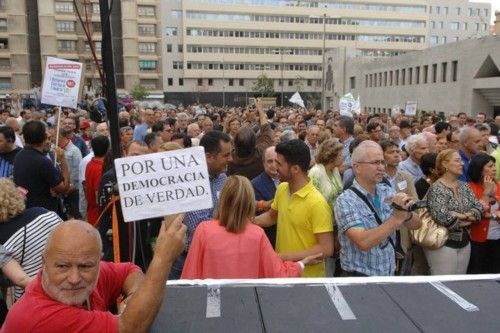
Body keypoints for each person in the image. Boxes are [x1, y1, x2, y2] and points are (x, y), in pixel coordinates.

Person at [1, 218, 186, 332]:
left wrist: (131, 299)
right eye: (62, 266)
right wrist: (163, 258)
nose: (74, 278)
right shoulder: (37, 317)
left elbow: (129, 271)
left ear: (99, 261)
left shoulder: (91, 272)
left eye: (85, 266)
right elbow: (131, 328)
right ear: (44, 262)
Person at [182, 176, 321, 279]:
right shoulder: (257, 234)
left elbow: (190, 275)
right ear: (249, 202)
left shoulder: (204, 230)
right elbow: (277, 273)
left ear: (222, 200)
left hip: (213, 303)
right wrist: (301, 264)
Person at [334, 141, 421, 276]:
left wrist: (406, 213)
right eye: (375, 163)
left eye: (382, 162)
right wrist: (396, 218)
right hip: (360, 279)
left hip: (389, 274)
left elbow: (416, 225)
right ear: (357, 167)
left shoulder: (386, 190)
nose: (381, 167)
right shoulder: (346, 200)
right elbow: (363, 242)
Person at [254, 139, 334, 277]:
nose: (275, 167)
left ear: (295, 169)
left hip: (307, 280)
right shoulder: (282, 188)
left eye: (279, 163)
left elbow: (326, 249)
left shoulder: (317, 203)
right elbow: (272, 216)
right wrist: (247, 222)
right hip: (284, 273)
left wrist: (282, 256)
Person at [169, 131, 232, 279]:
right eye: (226, 155)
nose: (231, 159)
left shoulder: (223, 178)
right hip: (187, 260)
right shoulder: (190, 182)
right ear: (209, 157)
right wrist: (231, 221)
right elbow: (199, 226)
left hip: (217, 256)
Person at [0, 178, 63, 300]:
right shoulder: (44, 213)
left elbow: (19, 279)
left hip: (33, 297)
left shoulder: (2, 240)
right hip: (66, 283)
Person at [425, 149, 483, 275]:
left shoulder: (464, 185)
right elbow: (444, 218)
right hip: (444, 243)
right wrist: (469, 218)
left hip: (465, 242)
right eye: (457, 160)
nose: (461, 163)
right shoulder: (436, 188)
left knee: (459, 283)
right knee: (445, 284)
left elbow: (479, 209)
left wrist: (461, 216)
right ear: (445, 164)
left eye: (461, 160)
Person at [13, 121, 70, 213]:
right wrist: (63, 160)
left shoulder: (19, 155)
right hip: (43, 214)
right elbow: (63, 188)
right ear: (43, 137)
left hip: (27, 209)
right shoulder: (42, 161)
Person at [308, 139, 343, 276]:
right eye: (340, 155)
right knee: (323, 256)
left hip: (334, 222)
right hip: (320, 223)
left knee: (331, 258)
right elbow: (311, 199)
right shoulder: (316, 172)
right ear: (332, 155)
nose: (342, 157)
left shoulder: (334, 171)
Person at [467, 153, 500, 274]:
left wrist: (493, 215)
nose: (494, 169)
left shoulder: (499, 185)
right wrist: (486, 192)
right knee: (479, 274)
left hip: (497, 239)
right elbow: (475, 214)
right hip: (477, 241)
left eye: (494, 166)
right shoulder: (470, 188)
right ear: (480, 169)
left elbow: (486, 214)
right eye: (490, 166)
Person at [251, 146, 280, 247]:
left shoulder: (288, 179)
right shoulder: (255, 184)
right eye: (270, 161)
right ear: (263, 163)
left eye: (277, 161)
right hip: (269, 240)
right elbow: (259, 214)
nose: (274, 165)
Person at [84, 136, 110, 226]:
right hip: (98, 217)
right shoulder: (100, 168)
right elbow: (98, 197)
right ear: (108, 149)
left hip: (92, 214)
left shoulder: (90, 164)